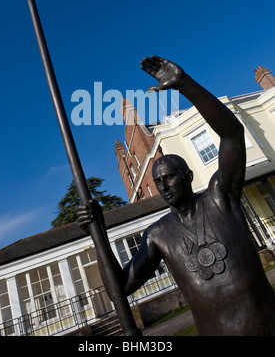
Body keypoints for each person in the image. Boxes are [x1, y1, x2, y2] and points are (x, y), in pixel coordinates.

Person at [77, 56, 275, 336]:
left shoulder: (220, 197)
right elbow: (119, 289)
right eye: (157, 181)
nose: (163, 185)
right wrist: (97, 234)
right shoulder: (157, 235)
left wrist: (185, 84)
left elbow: (231, 134)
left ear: (188, 176)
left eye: (169, 177)